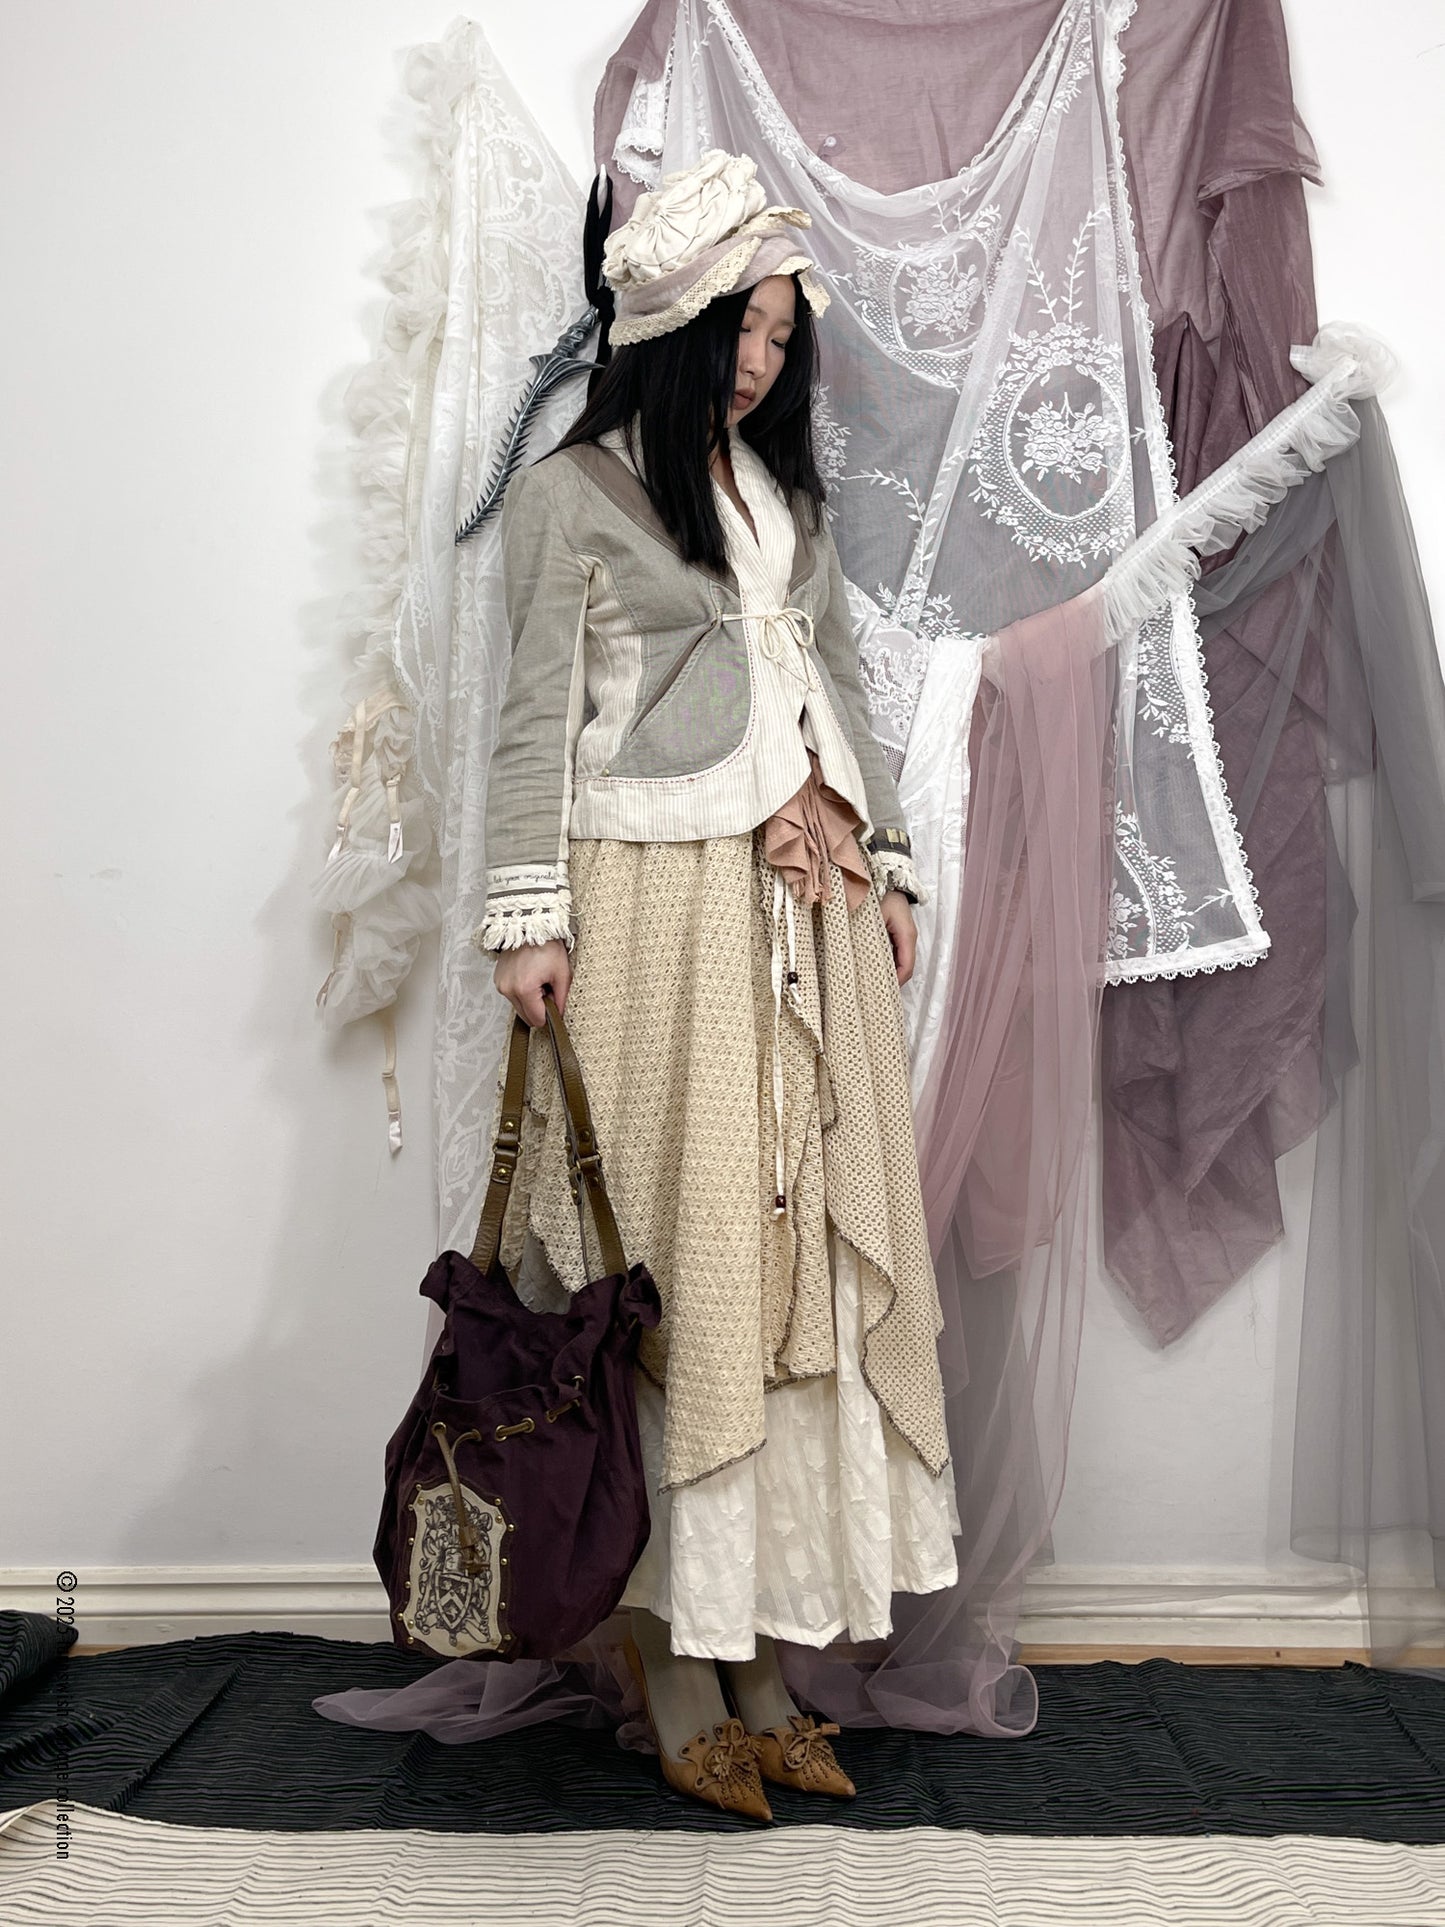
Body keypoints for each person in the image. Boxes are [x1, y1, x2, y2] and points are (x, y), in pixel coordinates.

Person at [474, 149, 957, 1823]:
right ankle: (674, 1669)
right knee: (676, 1273)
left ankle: (764, 1665)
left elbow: (838, 683)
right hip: (652, 911)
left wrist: (888, 864)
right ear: (664, 327)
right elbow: (530, 725)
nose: (757, 362)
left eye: (776, 337)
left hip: (801, 910)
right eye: (735, 332)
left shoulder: (780, 499)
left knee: (790, 1273)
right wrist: (525, 918)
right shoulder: (570, 497)